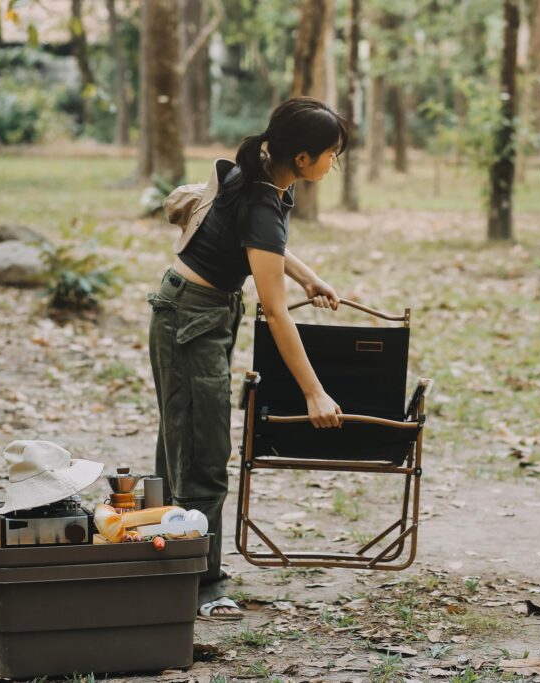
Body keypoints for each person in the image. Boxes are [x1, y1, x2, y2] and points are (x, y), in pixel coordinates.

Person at [148, 97, 348, 618]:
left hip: (191, 313)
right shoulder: (262, 196)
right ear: (301, 158)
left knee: (184, 442)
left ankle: (169, 563)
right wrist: (314, 391)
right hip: (193, 319)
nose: (335, 163)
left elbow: (266, 246)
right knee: (203, 456)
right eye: (331, 154)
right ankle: (201, 585)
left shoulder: (261, 173)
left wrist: (307, 275)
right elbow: (278, 314)